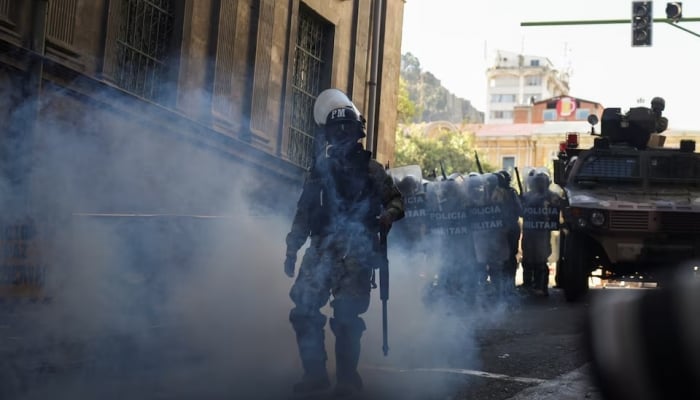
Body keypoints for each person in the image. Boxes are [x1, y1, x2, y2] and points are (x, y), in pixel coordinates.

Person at [283, 88, 405, 397]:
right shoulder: (319, 171)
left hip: (357, 249)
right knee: (303, 309)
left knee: (347, 315)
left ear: (356, 132)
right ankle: (315, 374)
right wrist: (292, 246)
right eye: (335, 129)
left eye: (345, 129)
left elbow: (396, 202)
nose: (340, 134)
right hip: (322, 248)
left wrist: (386, 217)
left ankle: (348, 378)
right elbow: (305, 211)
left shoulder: (371, 169)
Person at [520, 169, 563, 296]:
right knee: (527, 260)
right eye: (537, 181)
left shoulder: (553, 197)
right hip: (529, 233)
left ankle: (541, 287)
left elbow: (560, 210)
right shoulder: (527, 196)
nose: (539, 184)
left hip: (542, 234)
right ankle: (527, 284)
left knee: (541, 261)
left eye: (542, 182)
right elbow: (520, 212)